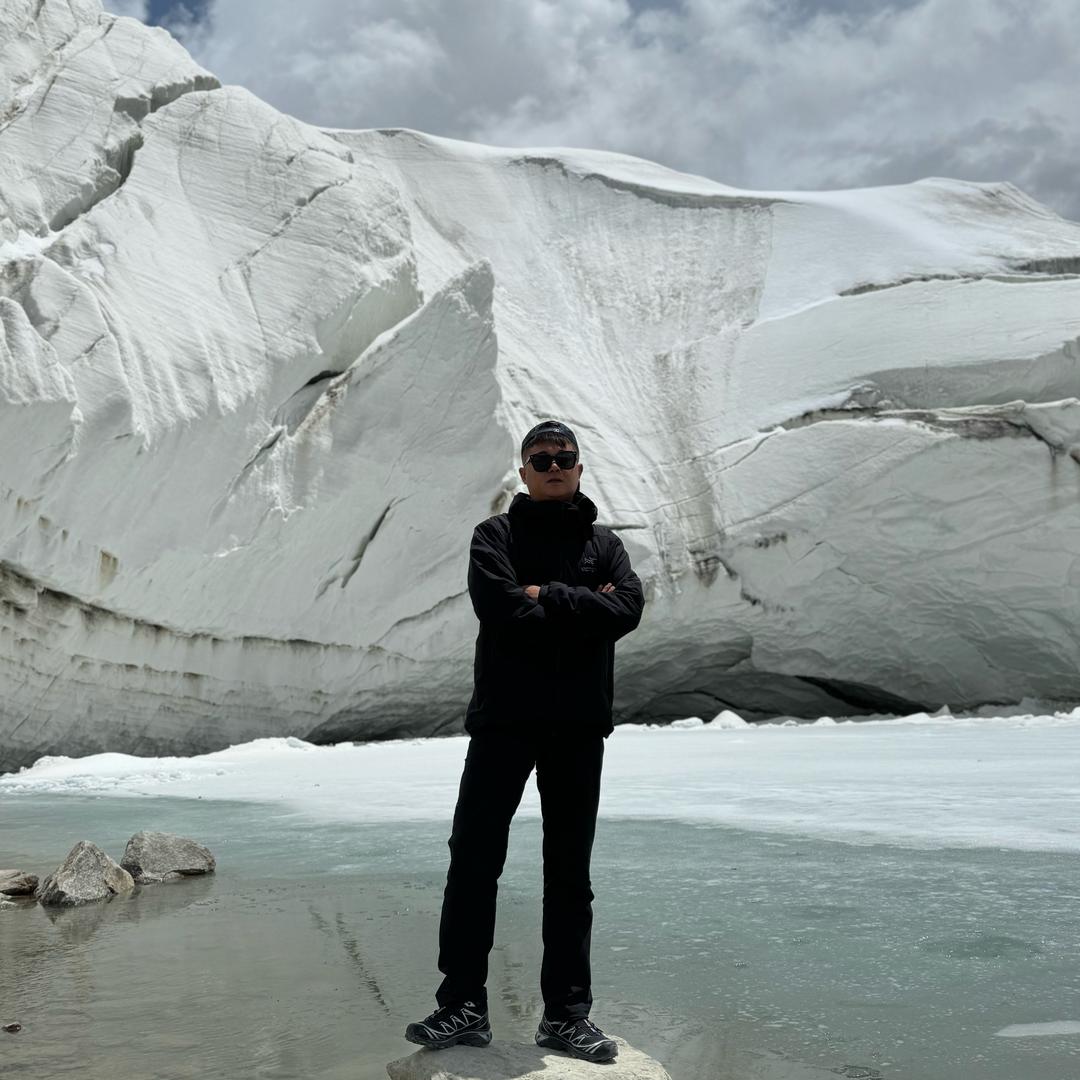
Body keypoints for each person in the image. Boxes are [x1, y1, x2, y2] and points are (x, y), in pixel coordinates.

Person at [404, 420, 645, 1063]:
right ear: (524, 470)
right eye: (541, 459)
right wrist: (580, 607)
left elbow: (625, 612)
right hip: (504, 723)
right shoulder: (496, 537)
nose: (553, 466)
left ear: (580, 466)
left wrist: (548, 595)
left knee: (570, 874)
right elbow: (502, 609)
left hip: (576, 729)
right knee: (474, 862)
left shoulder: (606, 546)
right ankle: (461, 1007)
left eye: (564, 457)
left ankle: (566, 1017)